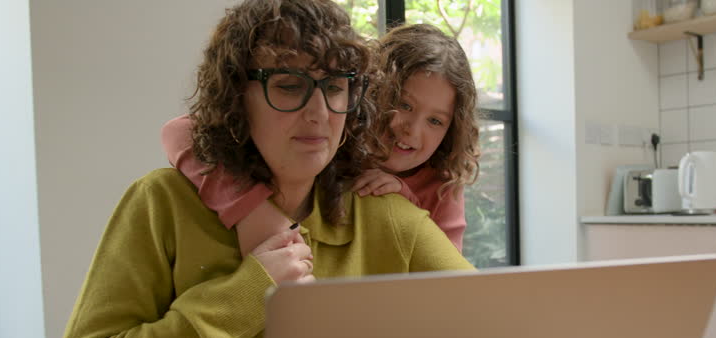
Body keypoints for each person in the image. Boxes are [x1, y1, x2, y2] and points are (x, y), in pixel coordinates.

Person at [50, 0, 473, 338]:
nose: (319, 112)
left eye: (336, 88)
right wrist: (245, 296)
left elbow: (498, 335)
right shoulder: (160, 203)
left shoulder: (391, 217)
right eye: (290, 86)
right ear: (236, 96)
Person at [161, 23, 480, 255]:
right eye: (403, 103)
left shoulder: (443, 184)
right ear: (367, 91)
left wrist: (403, 199)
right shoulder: (332, 140)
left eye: (435, 120)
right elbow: (179, 131)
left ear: (452, 130)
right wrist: (248, 208)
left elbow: (447, 282)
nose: (411, 128)